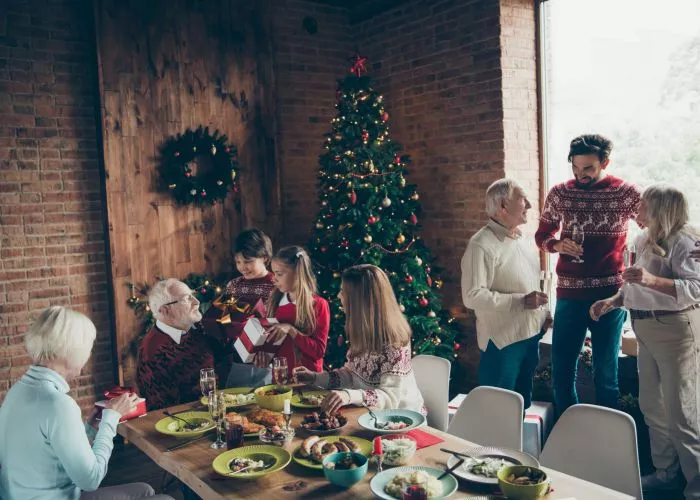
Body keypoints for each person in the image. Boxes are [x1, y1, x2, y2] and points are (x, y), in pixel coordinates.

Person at [590, 185, 700, 498]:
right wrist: (612, 301)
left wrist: (650, 280)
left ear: (660, 208)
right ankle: (666, 473)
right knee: (652, 406)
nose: (636, 209)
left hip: (677, 331)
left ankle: (696, 488)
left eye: (643, 204)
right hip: (644, 327)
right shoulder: (642, 239)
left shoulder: (687, 241)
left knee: (684, 413)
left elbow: (695, 289)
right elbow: (636, 286)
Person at [0, 306, 173, 500]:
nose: (87, 357)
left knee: (145, 490)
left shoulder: (17, 391)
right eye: (87, 349)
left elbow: (53, 450)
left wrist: (91, 428)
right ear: (70, 352)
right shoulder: (58, 404)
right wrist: (111, 418)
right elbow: (90, 480)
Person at [535, 134, 641, 415]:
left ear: (605, 163)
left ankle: (608, 440)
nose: (580, 174)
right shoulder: (559, 193)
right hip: (569, 294)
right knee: (562, 373)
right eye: (575, 167)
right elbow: (542, 236)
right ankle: (568, 436)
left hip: (610, 296)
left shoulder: (625, 192)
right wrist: (556, 245)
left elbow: (656, 223)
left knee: (606, 375)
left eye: (589, 169)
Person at [462, 179, 550, 409]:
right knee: (497, 411)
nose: (529, 205)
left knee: (522, 406)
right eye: (522, 199)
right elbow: (472, 295)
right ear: (503, 206)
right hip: (502, 343)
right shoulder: (480, 245)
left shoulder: (521, 238)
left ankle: (515, 447)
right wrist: (521, 301)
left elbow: (532, 283)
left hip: (530, 336)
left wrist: (544, 314)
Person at [293, 264, 424, 413]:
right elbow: (350, 375)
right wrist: (315, 378)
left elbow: (390, 398)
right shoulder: (364, 331)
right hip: (368, 414)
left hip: (400, 420)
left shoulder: (394, 343)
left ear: (359, 300)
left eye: (343, 291)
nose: (338, 296)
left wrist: (349, 395)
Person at [137, 279, 228, 410]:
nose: (197, 303)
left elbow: (226, 358)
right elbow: (162, 410)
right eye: (187, 299)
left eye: (193, 296)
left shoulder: (198, 329)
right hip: (189, 422)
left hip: (220, 407)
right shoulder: (151, 351)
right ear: (165, 310)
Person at [201, 229, 277, 387]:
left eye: (248, 261)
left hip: (265, 357)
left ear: (265, 257)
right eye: (238, 262)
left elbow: (278, 322)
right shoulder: (234, 285)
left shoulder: (275, 285)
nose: (243, 267)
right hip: (236, 356)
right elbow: (223, 315)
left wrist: (267, 350)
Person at [255, 246, 330, 377]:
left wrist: (291, 330)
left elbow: (318, 351)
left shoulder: (318, 305)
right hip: (280, 381)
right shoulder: (274, 302)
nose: (274, 279)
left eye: (279, 274)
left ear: (297, 273)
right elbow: (273, 344)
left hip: (309, 381)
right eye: (274, 273)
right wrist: (264, 357)